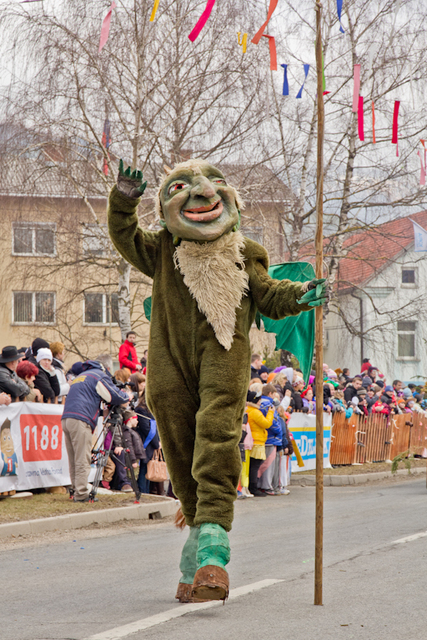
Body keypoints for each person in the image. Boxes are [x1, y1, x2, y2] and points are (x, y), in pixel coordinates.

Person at [62, 356, 129, 502]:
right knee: (82, 458)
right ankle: (81, 494)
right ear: (106, 368)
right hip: (80, 419)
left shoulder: (81, 376)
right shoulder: (99, 375)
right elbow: (113, 396)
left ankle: (75, 489)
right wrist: (127, 396)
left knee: (74, 457)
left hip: (67, 418)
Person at [246, 389, 274, 497]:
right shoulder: (255, 412)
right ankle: (253, 487)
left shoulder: (248, 410)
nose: (260, 402)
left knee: (252, 466)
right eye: (259, 400)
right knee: (254, 466)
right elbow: (266, 423)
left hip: (252, 441)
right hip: (257, 442)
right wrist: (270, 412)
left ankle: (250, 487)